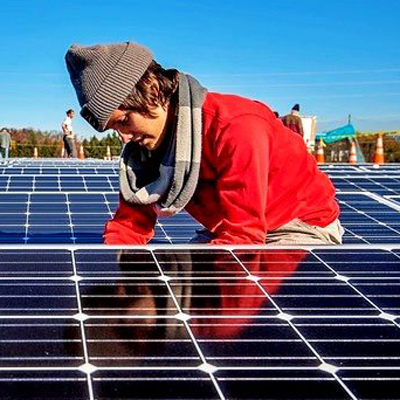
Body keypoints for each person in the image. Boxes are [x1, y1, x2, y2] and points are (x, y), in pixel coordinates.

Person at [65, 42, 343, 245]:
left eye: (124, 120)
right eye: (114, 129)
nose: (125, 138)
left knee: (219, 319)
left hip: (297, 226)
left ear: (152, 90)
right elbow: (130, 224)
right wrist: (114, 275)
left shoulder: (236, 127)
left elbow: (243, 236)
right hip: (230, 228)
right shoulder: (146, 148)